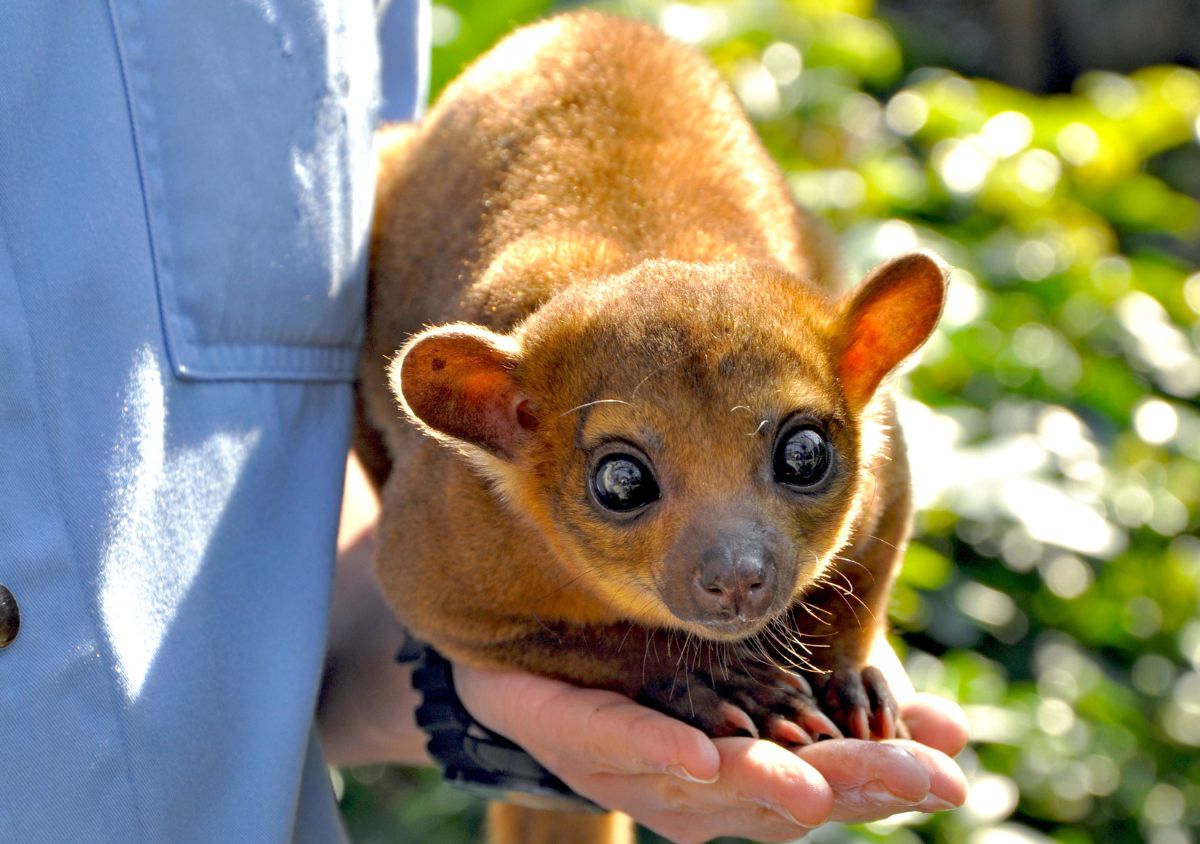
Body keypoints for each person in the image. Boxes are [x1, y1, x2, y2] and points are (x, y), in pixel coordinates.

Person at [0, 0, 964, 841]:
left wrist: (840, 645)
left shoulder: (825, 398)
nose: (739, 568)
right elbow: (423, 577)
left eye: (799, 459)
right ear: (497, 423)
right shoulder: (501, 459)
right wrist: (639, 665)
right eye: (627, 484)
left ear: (864, 366)